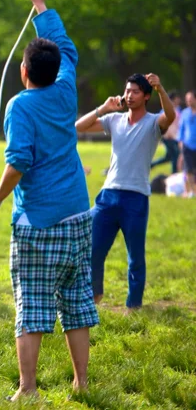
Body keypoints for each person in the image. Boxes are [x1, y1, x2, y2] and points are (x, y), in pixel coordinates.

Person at [0, 0, 96, 401]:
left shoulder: (20, 106)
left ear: (24, 71)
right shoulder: (66, 89)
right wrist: (41, 6)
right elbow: (67, 50)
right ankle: (81, 384)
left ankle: (28, 388)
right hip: (80, 214)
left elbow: (19, 162)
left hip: (38, 221)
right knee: (77, 300)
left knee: (32, 304)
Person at [76, 73, 176, 312]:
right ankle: (94, 295)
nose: (129, 96)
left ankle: (134, 306)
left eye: (135, 92)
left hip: (136, 198)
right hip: (108, 196)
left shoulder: (153, 123)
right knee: (93, 249)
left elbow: (170, 116)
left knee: (135, 257)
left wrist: (161, 88)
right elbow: (77, 128)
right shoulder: (114, 120)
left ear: (146, 97)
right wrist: (103, 108)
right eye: (127, 91)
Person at [150, 91, 181, 173]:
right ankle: (175, 173)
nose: (179, 100)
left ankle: (151, 164)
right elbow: (162, 125)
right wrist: (167, 135)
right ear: (173, 100)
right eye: (177, 98)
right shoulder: (165, 111)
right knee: (175, 155)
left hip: (174, 137)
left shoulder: (177, 110)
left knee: (168, 157)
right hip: (168, 137)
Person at [178, 91, 196, 197]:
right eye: (187, 100)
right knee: (188, 169)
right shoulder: (184, 113)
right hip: (187, 145)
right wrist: (180, 143)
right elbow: (181, 130)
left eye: (190, 99)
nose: (188, 102)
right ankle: (191, 191)